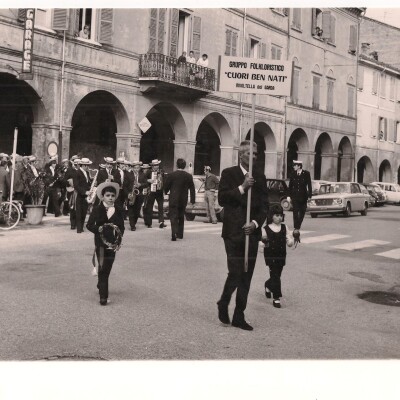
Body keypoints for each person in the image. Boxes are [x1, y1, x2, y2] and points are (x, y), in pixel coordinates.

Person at [217, 140, 268, 331]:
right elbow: (222, 198)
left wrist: (255, 224)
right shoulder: (229, 174)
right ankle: (224, 302)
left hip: (251, 233)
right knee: (236, 271)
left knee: (247, 275)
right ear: (241, 155)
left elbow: (264, 206)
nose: (253, 157)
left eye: (256, 154)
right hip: (232, 232)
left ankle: (239, 315)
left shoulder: (260, 177)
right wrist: (242, 187)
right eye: (250, 154)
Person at [87, 182, 125, 306]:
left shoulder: (118, 210)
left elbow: (121, 227)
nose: (110, 198)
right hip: (100, 244)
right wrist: (97, 229)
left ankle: (100, 283)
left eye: (112, 196)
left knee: (107, 268)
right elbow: (89, 225)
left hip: (112, 244)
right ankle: (103, 297)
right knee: (103, 268)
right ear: (102, 197)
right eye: (107, 195)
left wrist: (118, 241)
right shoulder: (97, 209)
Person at [261, 204, 294, 309]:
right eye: (276, 215)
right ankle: (276, 298)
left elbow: (289, 240)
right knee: (275, 275)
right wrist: (264, 242)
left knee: (277, 275)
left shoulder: (284, 227)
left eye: (281, 215)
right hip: (270, 255)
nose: (279, 218)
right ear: (271, 216)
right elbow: (262, 244)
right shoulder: (266, 228)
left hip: (281, 255)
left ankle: (268, 285)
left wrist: (291, 240)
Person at [164, 158, 195, 241]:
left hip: (173, 198)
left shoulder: (171, 175)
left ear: (176, 165)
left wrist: (166, 192)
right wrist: (192, 201)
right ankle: (180, 234)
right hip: (183, 199)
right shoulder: (188, 176)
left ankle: (173, 232)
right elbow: (192, 189)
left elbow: (166, 187)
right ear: (184, 166)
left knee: (173, 216)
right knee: (181, 216)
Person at [288, 160, 312, 245]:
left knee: (302, 211)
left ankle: (298, 225)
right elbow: (290, 185)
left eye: (295, 165)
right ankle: (296, 227)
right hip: (295, 196)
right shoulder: (293, 174)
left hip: (303, 196)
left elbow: (309, 184)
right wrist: (288, 196)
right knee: (295, 212)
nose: (294, 167)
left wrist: (309, 196)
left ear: (299, 166)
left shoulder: (306, 173)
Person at [125, 161, 148, 231]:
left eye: (138, 168)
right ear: (132, 168)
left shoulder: (142, 174)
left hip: (139, 195)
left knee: (137, 211)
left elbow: (146, 183)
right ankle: (132, 225)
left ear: (139, 168)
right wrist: (128, 194)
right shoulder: (128, 174)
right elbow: (125, 186)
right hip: (131, 194)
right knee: (131, 210)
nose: (136, 169)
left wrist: (140, 184)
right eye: (135, 168)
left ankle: (133, 223)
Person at [144, 159, 167, 229]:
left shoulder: (161, 171)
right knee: (149, 207)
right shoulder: (149, 172)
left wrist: (164, 190)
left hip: (159, 192)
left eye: (157, 165)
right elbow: (143, 179)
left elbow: (165, 180)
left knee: (161, 207)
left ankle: (161, 222)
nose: (156, 167)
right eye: (155, 165)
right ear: (152, 166)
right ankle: (149, 223)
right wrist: (148, 180)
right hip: (151, 191)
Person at [73, 157, 93, 233]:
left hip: (86, 195)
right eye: (87, 165)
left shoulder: (87, 173)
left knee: (84, 211)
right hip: (80, 195)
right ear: (84, 165)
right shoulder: (77, 172)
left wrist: (91, 187)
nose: (88, 167)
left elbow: (87, 183)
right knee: (79, 212)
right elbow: (76, 186)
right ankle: (79, 229)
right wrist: (85, 192)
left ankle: (81, 227)